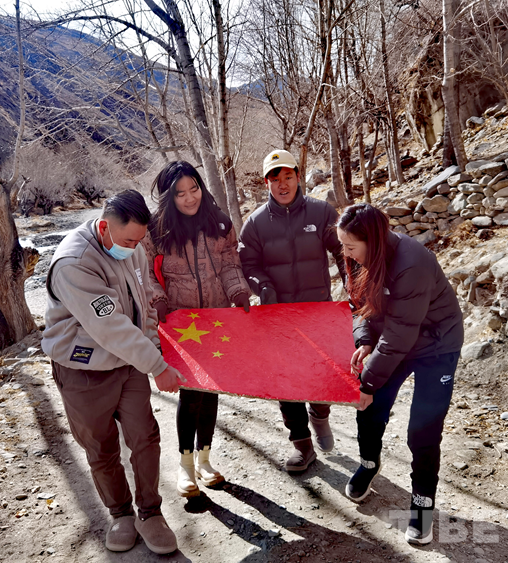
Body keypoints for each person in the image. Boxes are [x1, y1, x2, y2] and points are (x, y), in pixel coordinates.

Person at [42, 190, 183, 555]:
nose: (135, 248)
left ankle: (150, 513)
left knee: (145, 437)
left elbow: (144, 303)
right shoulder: (74, 263)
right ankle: (120, 514)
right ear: (104, 227)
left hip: (129, 364)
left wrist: (151, 347)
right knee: (101, 446)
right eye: (129, 241)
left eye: (139, 241)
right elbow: (111, 327)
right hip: (83, 370)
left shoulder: (132, 247)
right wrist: (158, 366)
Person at [336, 203, 464, 546]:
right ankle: (369, 463)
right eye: (342, 245)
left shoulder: (412, 263)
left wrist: (367, 382)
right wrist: (365, 340)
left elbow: (400, 335)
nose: (345, 253)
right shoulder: (358, 256)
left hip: (436, 345)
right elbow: (357, 305)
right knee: (369, 408)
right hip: (394, 338)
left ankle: (422, 503)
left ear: (374, 242)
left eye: (350, 247)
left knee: (423, 428)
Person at [143, 161, 251, 498]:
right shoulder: (155, 231)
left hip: (217, 320)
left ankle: (205, 460)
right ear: (168, 197)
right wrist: (158, 299)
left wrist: (238, 291)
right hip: (181, 324)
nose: (190, 198)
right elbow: (145, 272)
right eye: (180, 193)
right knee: (190, 394)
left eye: (194, 189)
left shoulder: (219, 222)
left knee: (211, 392)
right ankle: (185, 465)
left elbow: (231, 264)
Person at [239, 149, 345, 473]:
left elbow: (343, 251)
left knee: (321, 374)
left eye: (288, 176)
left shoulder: (321, 212)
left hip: (318, 311)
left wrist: (353, 286)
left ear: (298, 176)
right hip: (279, 316)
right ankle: (302, 445)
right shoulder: (255, 224)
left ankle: (320, 415)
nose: (282, 184)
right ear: (266, 183)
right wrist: (262, 286)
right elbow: (248, 266)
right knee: (286, 381)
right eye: (275, 179)